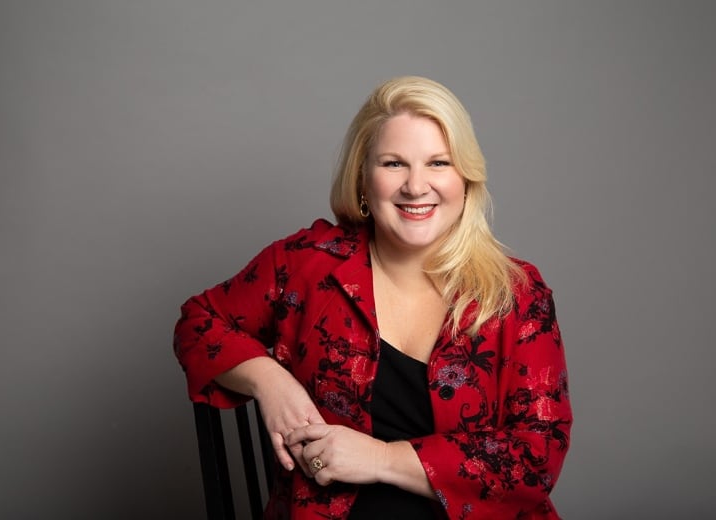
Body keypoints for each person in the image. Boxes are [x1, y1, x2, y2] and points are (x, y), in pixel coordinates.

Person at [174, 76, 571, 519]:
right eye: (393, 164)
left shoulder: (515, 294)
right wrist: (270, 381)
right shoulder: (307, 264)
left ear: (466, 179)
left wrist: (380, 459)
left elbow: (536, 456)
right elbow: (199, 323)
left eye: (439, 163)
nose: (416, 186)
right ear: (363, 178)